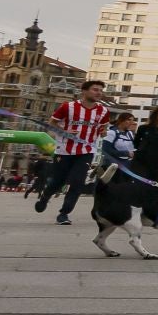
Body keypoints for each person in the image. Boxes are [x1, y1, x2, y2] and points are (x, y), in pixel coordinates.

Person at [35, 78, 109, 225]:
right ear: (84, 91)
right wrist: (65, 130)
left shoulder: (103, 110)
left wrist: (102, 132)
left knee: (77, 182)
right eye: (95, 89)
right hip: (64, 151)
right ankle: (45, 197)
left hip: (86, 151)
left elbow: (104, 130)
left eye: (101, 90)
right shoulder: (68, 107)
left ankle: (64, 213)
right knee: (58, 181)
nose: (98, 93)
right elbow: (52, 124)